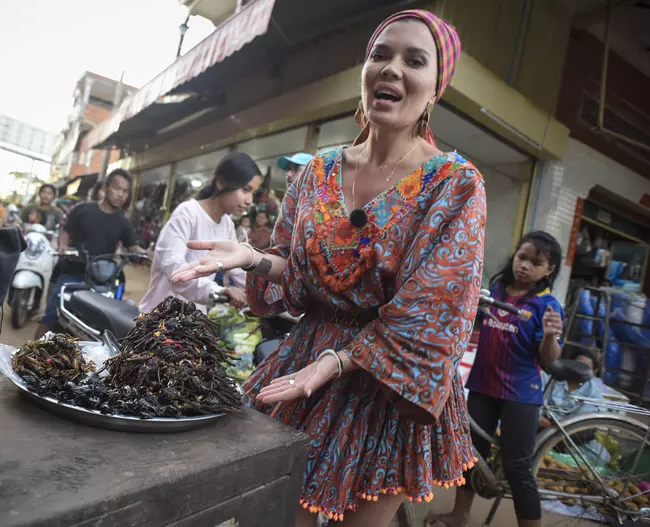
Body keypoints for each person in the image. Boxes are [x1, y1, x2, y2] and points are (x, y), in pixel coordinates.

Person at [172, 10, 485, 525]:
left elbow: (434, 311)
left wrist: (337, 363)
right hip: (305, 359)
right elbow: (296, 278)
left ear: (435, 89)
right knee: (277, 512)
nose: (391, 69)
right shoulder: (317, 171)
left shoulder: (454, 184)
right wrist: (253, 259)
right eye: (380, 55)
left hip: (386, 384)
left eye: (414, 60)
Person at [430, 231, 564, 527]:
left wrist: (552, 335)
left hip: (521, 394)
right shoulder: (497, 290)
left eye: (536, 262)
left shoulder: (547, 305)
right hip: (483, 385)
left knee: (517, 467)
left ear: (549, 269)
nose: (525, 266)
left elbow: (550, 358)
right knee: (471, 455)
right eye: (522, 257)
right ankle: (459, 515)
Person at [139, 152, 262, 313]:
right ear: (221, 183)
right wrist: (218, 291)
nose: (249, 200)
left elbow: (238, 269)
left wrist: (269, 293)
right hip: (159, 319)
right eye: (246, 189)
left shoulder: (227, 225)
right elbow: (174, 267)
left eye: (253, 193)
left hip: (193, 322)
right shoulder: (187, 213)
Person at [36, 169, 141, 338]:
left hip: (102, 281)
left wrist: (146, 253)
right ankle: (29, 353)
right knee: (50, 315)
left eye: (125, 191)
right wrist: (63, 245)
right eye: (117, 188)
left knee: (105, 325)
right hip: (73, 272)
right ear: (106, 188)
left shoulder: (124, 222)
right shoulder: (83, 209)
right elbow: (66, 230)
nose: (120, 194)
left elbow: (133, 247)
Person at [541, 348, 603, 426]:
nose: (580, 369)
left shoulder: (594, 391)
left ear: (593, 373)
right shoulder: (548, 378)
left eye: (585, 367)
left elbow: (583, 419)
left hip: (570, 431)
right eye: (577, 365)